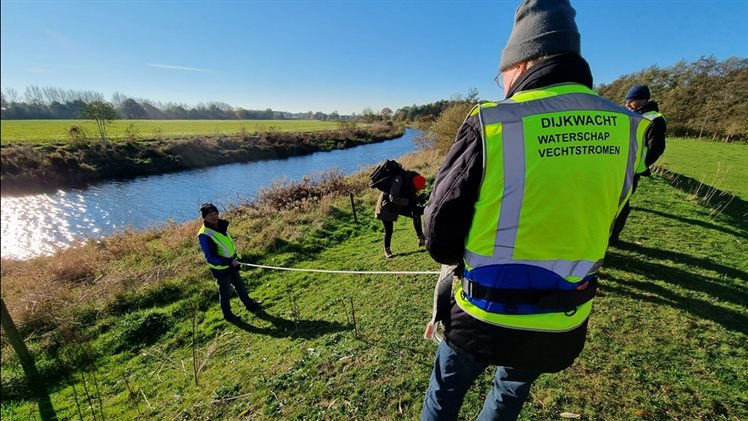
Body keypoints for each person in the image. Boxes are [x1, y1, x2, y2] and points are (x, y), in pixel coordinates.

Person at [420, 1, 651, 419]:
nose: (503, 84)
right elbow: (612, 215)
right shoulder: (630, 127)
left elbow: (439, 233)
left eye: (502, 74)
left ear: (523, 61)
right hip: (562, 316)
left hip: (483, 313)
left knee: (444, 394)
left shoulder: (495, 121)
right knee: (509, 396)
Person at [610, 84, 667, 243]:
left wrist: (640, 164)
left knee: (621, 204)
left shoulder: (655, 119)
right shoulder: (629, 115)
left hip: (632, 168)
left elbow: (656, 147)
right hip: (619, 165)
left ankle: (612, 237)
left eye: (631, 101)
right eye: (627, 101)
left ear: (643, 100)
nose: (627, 104)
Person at [197, 203, 259, 322]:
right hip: (221, 269)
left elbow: (227, 245)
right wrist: (229, 262)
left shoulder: (221, 225)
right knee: (225, 292)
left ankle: (250, 305)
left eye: (215, 213)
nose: (214, 216)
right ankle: (228, 315)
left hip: (232, 264)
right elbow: (210, 257)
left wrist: (236, 258)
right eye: (210, 214)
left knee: (240, 286)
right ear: (204, 217)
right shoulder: (204, 235)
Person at [375, 171, 427, 258]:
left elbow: (408, 195)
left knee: (415, 213)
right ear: (414, 183)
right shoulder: (398, 180)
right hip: (386, 205)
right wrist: (410, 202)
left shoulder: (409, 180)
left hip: (399, 205)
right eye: (416, 188)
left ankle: (421, 238)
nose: (416, 190)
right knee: (389, 229)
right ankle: (387, 250)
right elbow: (393, 197)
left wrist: (417, 199)